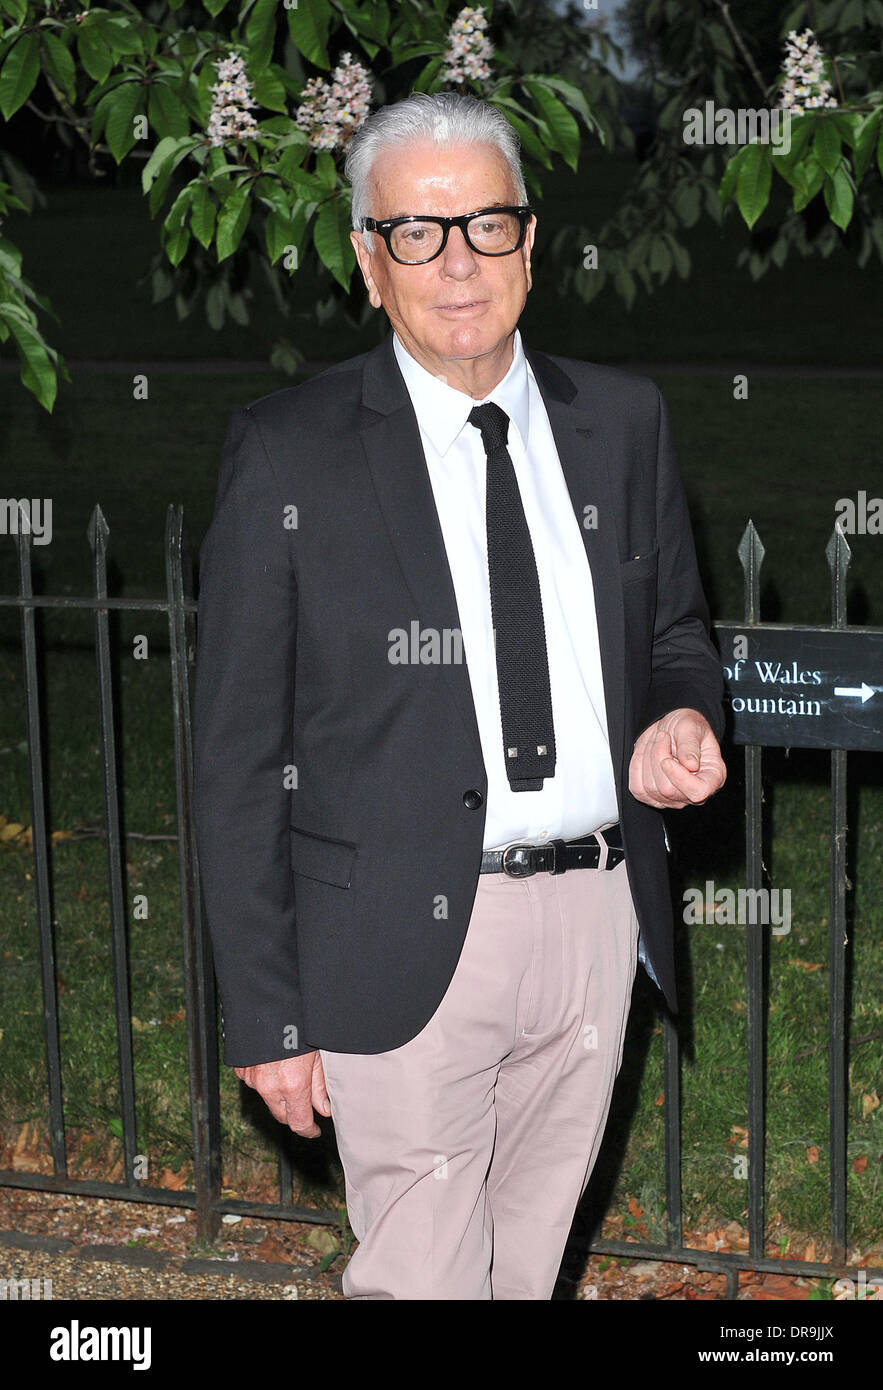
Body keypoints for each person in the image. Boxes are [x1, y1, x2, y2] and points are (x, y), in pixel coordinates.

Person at [192, 90, 726, 1301]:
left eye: (486, 225)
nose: (458, 263)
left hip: (595, 922)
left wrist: (678, 716)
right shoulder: (290, 451)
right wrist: (270, 1015)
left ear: (530, 243)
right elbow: (233, 757)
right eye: (417, 234)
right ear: (367, 263)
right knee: (427, 1278)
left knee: (526, 1268)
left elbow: (679, 635)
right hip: (394, 935)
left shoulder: (621, 422)